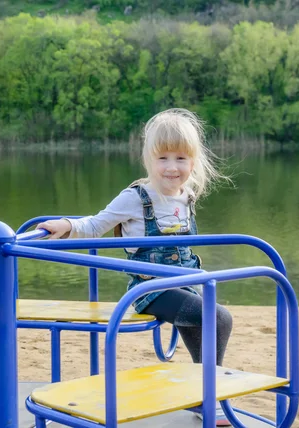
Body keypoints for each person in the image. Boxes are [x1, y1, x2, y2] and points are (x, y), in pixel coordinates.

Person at [36, 108, 233, 426]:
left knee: (202, 323)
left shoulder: (187, 196)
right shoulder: (136, 197)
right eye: (163, 158)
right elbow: (95, 224)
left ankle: (204, 396)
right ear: (148, 160)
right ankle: (213, 395)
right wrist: (66, 224)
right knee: (218, 317)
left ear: (193, 161)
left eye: (181, 159)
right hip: (150, 290)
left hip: (184, 282)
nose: (172, 167)